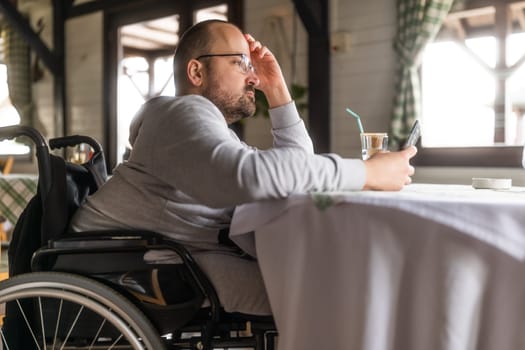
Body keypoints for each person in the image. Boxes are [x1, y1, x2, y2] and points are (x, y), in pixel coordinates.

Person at [70, 19, 416, 316]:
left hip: (166, 255)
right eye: (240, 63)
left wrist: (277, 88)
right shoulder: (181, 113)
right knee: (324, 294)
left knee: (322, 285)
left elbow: (296, 167)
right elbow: (249, 177)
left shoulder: (200, 127)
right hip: (129, 264)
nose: (253, 78)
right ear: (196, 71)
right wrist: (368, 173)